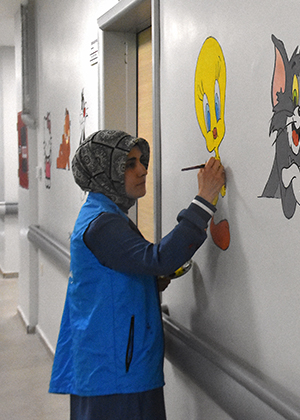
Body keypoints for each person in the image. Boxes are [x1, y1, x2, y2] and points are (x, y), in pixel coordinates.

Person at [49, 130, 226, 419]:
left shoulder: (102, 214)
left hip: (109, 366)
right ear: (105, 172)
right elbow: (159, 259)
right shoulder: (103, 224)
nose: (142, 170)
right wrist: (204, 199)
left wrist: (146, 281)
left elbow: (118, 271)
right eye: (129, 164)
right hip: (115, 374)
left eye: (141, 161)